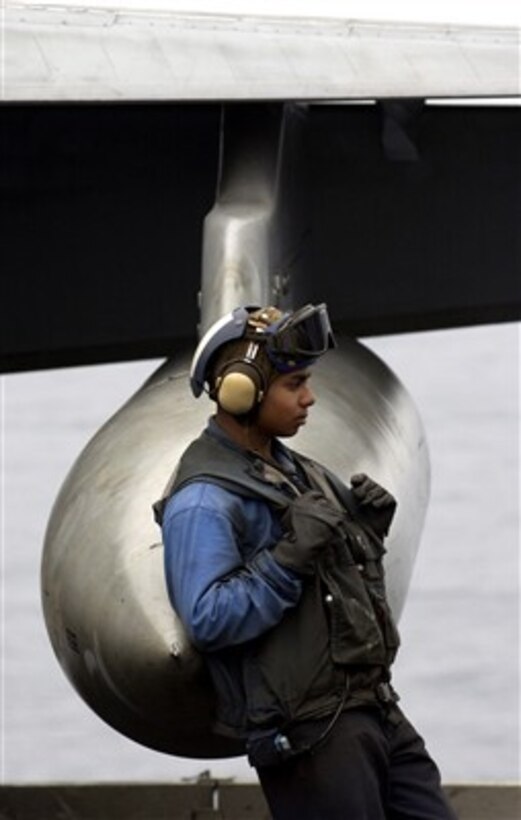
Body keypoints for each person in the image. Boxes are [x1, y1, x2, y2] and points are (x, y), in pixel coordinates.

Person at [155, 303, 457, 820]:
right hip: (312, 735)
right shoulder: (205, 499)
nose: (309, 397)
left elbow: (333, 591)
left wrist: (366, 532)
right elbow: (207, 618)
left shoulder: (296, 470)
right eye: (294, 385)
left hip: (372, 710)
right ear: (240, 391)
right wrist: (287, 558)